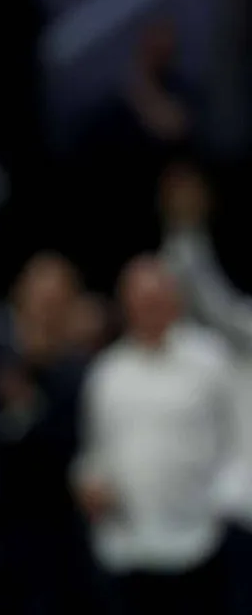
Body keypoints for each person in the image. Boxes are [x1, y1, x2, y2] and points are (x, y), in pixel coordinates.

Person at [72, 254, 237, 615]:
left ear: (174, 301)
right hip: (125, 549)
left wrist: (225, 504)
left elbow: (239, 438)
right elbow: (93, 452)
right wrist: (90, 482)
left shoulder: (210, 361)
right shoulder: (107, 373)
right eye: (140, 302)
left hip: (199, 543)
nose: (149, 310)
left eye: (157, 300)